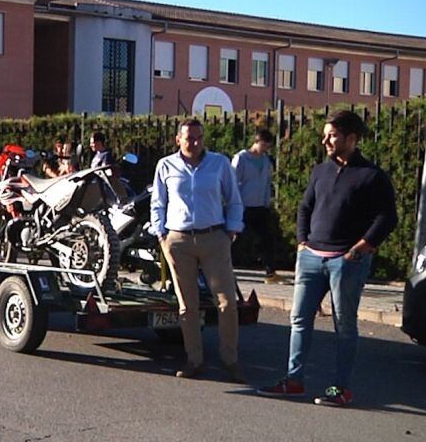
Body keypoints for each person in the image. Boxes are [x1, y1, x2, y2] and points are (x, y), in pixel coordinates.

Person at [257, 110, 397, 407]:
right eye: (325, 135)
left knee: (344, 324)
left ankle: (340, 388)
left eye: (332, 135)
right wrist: (301, 243)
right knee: (299, 319)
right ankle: (293, 381)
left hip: (345, 261)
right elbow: (305, 207)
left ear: (352, 138)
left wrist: (360, 248)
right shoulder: (320, 171)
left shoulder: (372, 176)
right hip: (310, 258)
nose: (325, 141)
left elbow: (387, 217)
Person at [151, 119, 245, 381]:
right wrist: (161, 235)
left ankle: (231, 360)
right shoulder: (166, 165)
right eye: (189, 138)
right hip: (179, 241)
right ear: (178, 139)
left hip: (214, 237)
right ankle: (194, 360)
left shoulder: (219, 163)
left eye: (198, 138)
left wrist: (232, 230)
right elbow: (158, 203)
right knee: (187, 306)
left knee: (227, 302)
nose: (194, 142)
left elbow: (234, 199)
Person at [232, 128, 280, 282]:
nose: (266, 149)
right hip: (243, 206)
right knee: (235, 239)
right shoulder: (241, 158)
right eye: (264, 145)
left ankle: (270, 272)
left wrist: (267, 202)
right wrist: (235, 204)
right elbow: (233, 182)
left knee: (267, 238)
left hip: (260, 206)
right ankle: (225, 268)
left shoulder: (265, 160)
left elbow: (267, 183)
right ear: (257, 142)